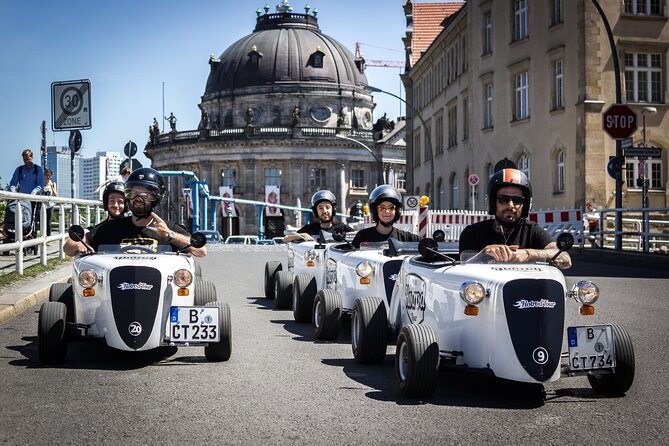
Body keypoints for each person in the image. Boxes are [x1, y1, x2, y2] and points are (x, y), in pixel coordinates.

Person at [458, 167, 571, 268]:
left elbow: (565, 259)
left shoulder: (532, 231)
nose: (510, 205)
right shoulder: (472, 233)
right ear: (492, 202)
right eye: (503, 199)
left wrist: (528, 254)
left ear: (525, 205)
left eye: (517, 200)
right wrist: (484, 254)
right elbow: (464, 265)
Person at [85, 168, 206, 257]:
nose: (138, 199)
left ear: (156, 197)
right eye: (132, 194)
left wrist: (170, 235)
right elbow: (70, 247)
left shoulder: (168, 228)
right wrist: (77, 242)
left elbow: (201, 251)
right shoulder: (112, 227)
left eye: (144, 195)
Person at [64, 181, 127, 256]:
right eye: (112, 201)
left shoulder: (134, 228)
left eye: (120, 202)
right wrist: (79, 245)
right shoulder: (95, 231)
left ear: (126, 204)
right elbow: (67, 247)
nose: (116, 205)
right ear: (106, 203)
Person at [351, 185, 419, 248]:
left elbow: (427, 245)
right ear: (375, 210)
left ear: (397, 211)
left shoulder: (406, 238)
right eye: (382, 208)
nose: (387, 211)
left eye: (391, 207)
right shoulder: (362, 236)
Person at [284, 190, 354, 242]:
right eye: (320, 208)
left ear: (333, 209)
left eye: (327, 207)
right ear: (315, 211)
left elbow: (357, 234)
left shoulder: (341, 227)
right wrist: (302, 235)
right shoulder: (310, 228)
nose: (324, 211)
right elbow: (286, 238)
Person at [40, 168, 58, 236]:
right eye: (46, 175)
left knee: (49, 223)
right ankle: (42, 236)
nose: (48, 177)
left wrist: (53, 189)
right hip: (43, 205)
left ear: (51, 176)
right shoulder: (41, 183)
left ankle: (48, 237)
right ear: (44, 175)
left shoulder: (53, 183)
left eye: (49, 176)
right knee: (42, 221)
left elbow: (55, 195)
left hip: (50, 205)